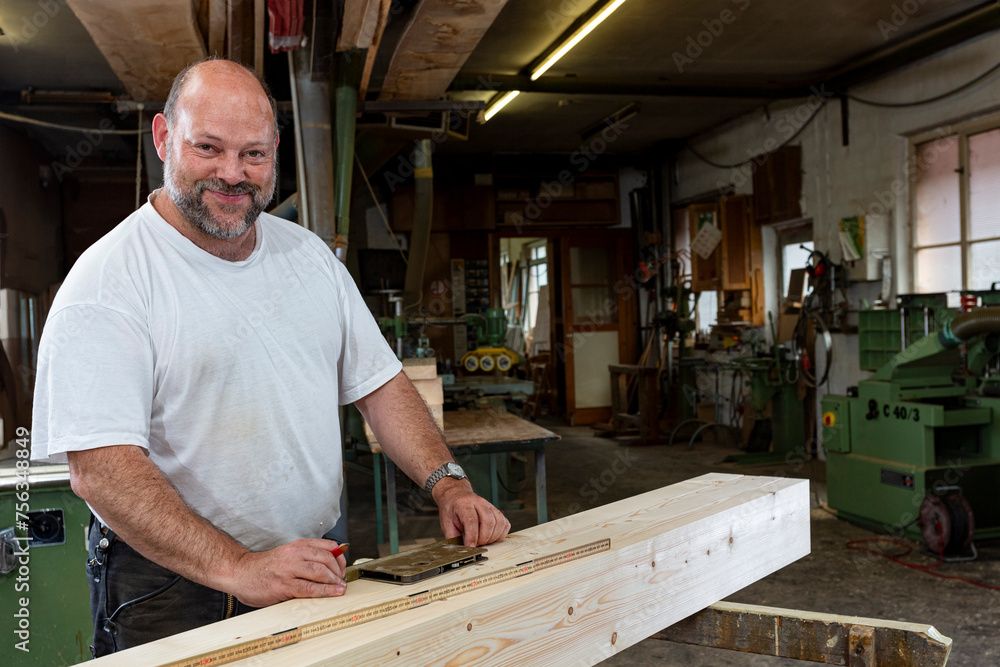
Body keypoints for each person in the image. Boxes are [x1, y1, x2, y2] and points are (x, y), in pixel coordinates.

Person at [30, 58, 510, 657]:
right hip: (170, 586)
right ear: (162, 138)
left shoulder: (309, 259)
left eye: (253, 154)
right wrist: (240, 568)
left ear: (276, 151)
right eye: (208, 147)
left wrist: (449, 484)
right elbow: (101, 468)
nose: (232, 174)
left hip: (311, 560)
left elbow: (381, 385)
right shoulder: (109, 282)